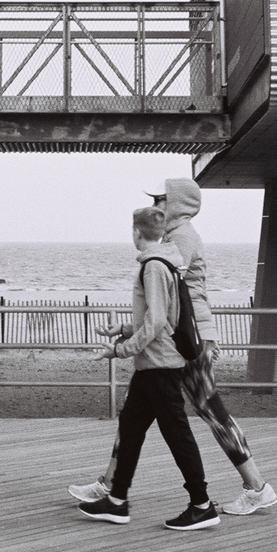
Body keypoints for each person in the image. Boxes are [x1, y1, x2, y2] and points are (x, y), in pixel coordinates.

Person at [71, 175, 277, 516]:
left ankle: (255, 487)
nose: (155, 204)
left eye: (160, 199)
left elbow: (168, 304)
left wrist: (130, 336)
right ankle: (111, 486)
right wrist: (129, 328)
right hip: (181, 336)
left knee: (210, 411)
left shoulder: (181, 237)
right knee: (137, 414)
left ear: (178, 203)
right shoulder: (174, 236)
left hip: (186, 340)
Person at [76, 205, 219, 530]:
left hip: (160, 366)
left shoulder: (153, 266)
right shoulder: (166, 262)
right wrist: (125, 329)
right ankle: (116, 502)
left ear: (137, 233)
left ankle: (202, 505)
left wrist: (120, 350)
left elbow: (156, 322)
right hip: (151, 367)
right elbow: (164, 316)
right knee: (130, 429)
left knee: (177, 435)